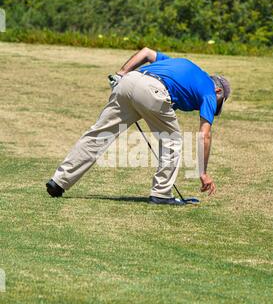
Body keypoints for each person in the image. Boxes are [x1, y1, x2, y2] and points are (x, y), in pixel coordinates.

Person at [46, 47, 231, 205]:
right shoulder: (209, 90)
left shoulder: (181, 65)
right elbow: (204, 135)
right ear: (218, 90)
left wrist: (121, 73)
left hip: (128, 81)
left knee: (99, 135)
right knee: (172, 141)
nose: (214, 106)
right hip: (153, 90)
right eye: (218, 102)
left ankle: (59, 181)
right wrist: (203, 172)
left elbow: (147, 53)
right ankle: (161, 194)